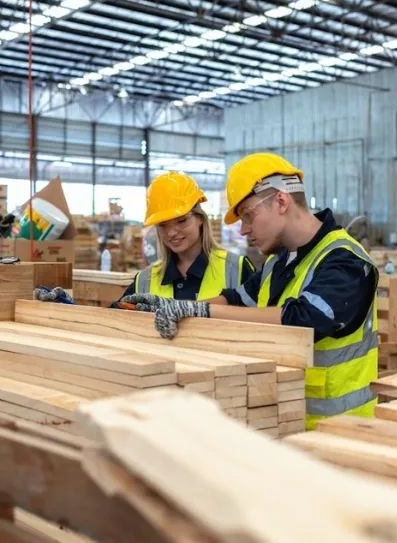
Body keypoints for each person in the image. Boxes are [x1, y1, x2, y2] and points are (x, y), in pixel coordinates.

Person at [123, 153, 379, 430]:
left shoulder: (345, 261)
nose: (243, 229)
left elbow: (305, 319)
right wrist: (172, 307)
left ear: (281, 201)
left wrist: (201, 309)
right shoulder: (278, 262)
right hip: (283, 423)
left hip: (338, 433)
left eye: (248, 215)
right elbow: (237, 299)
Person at [119, 171, 254, 302]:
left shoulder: (236, 269)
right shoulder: (145, 280)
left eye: (181, 221)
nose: (171, 233)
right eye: (162, 225)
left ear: (200, 218)